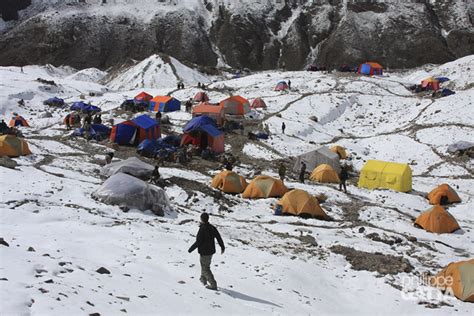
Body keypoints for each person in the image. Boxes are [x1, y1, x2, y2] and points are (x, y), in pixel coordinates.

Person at [188, 212, 225, 290]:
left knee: (205, 268)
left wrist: (190, 249)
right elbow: (218, 237)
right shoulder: (212, 227)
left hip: (204, 252)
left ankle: (213, 284)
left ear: (201, 219)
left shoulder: (202, 229)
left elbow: (198, 241)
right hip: (211, 251)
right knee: (205, 265)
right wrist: (222, 246)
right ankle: (203, 279)